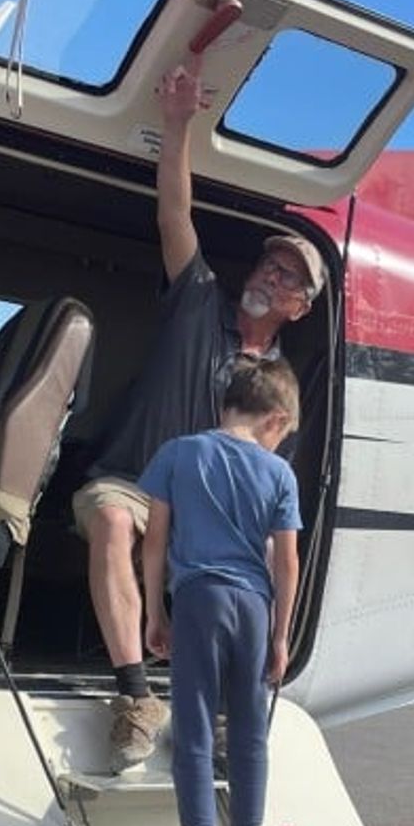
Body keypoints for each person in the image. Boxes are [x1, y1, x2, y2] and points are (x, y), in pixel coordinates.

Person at [72, 50, 323, 773]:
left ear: (299, 309)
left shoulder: (280, 388)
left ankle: (217, 708)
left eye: (286, 279)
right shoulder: (197, 303)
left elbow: (269, 507)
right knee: (114, 517)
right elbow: (173, 213)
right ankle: (135, 695)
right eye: (268, 265)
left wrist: (275, 626)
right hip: (134, 483)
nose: (268, 277)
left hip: (203, 522)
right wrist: (177, 122)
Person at [123, 357, 302, 826]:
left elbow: (154, 540)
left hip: (199, 600)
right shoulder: (279, 473)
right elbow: (287, 561)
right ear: (274, 419)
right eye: (283, 435)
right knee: (249, 731)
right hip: (254, 605)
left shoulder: (179, 453)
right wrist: (281, 635)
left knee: (196, 728)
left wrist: (155, 610)